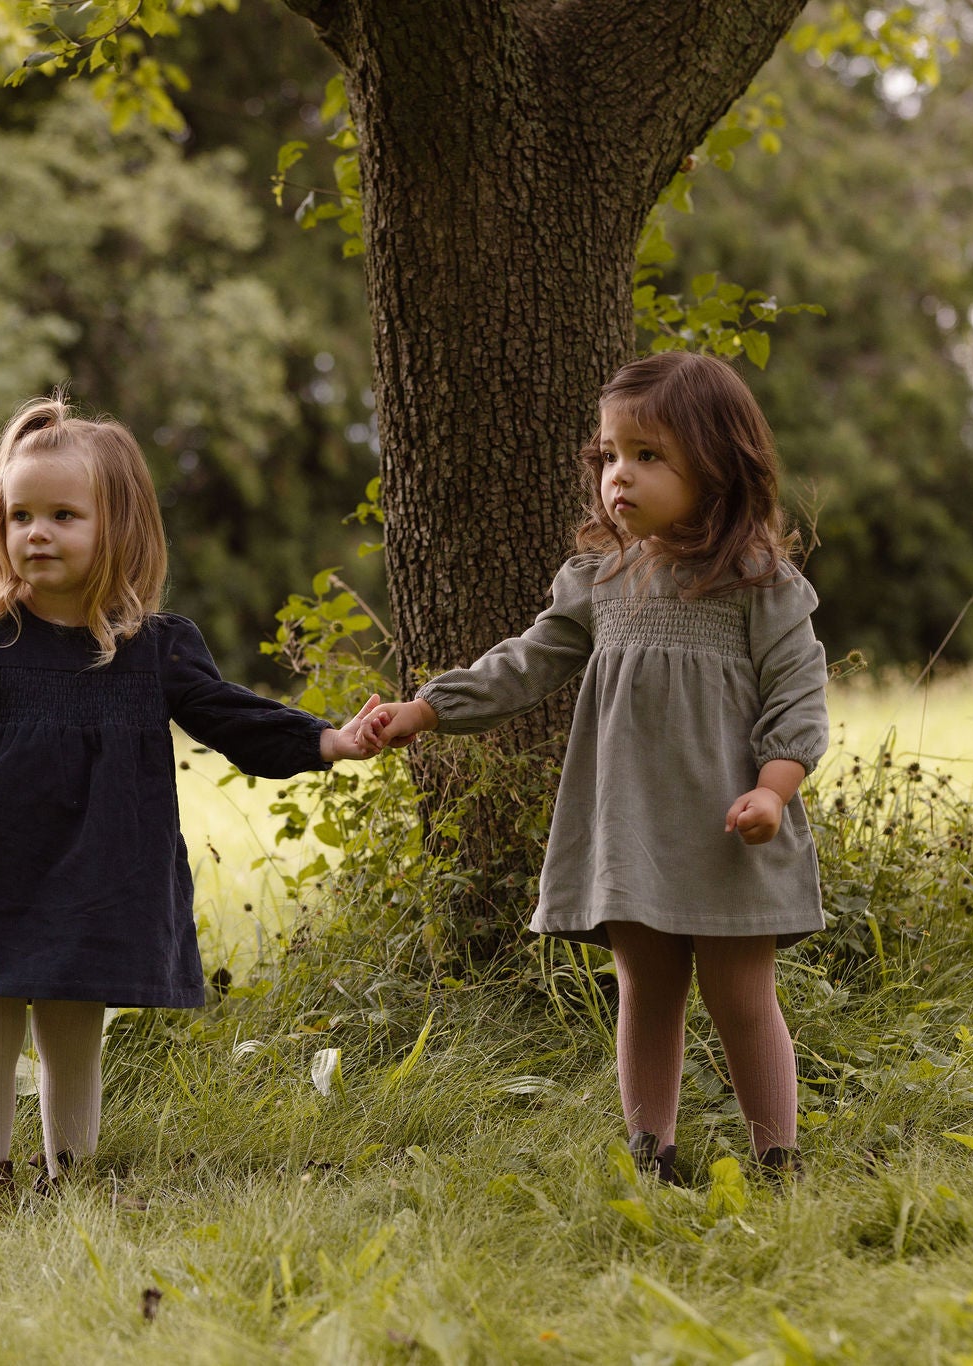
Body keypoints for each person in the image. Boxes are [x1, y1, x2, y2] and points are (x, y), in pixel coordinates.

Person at [0, 395, 384, 1193]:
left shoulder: (153, 647)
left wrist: (326, 740)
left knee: (73, 1038)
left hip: (97, 879)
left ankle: (69, 1178)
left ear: (119, 526)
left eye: (63, 515)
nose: (35, 533)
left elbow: (230, 718)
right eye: (20, 516)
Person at [362, 350, 828, 1182]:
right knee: (646, 991)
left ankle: (778, 1160)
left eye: (649, 457)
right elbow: (526, 663)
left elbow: (798, 701)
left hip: (732, 830)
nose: (621, 476)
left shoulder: (762, 586)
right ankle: (654, 1154)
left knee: (741, 998)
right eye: (611, 454)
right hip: (631, 828)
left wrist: (773, 786)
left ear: (717, 464)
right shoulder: (603, 579)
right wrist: (429, 707)